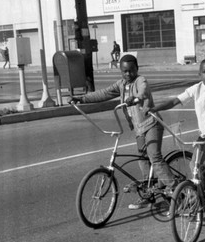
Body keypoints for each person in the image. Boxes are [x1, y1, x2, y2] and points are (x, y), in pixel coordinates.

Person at [71, 54, 176, 210]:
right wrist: (81, 99)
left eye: (131, 71)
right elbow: (103, 93)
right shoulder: (121, 85)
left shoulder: (141, 80)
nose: (128, 74)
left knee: (154, 156)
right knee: (142, 159)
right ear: (120, 71)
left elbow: (143, 91)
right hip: (139, 128)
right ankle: (149, 193)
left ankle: (175, 189)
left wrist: (135, 98)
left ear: (137, 69)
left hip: (152, 124)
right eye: (125, 71)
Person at [151, 58, 205, 180]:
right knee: (195, 164)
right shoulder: (195, 88)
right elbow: (175, 101)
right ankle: (200, 189)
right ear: (199, 74)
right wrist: (154, 108)